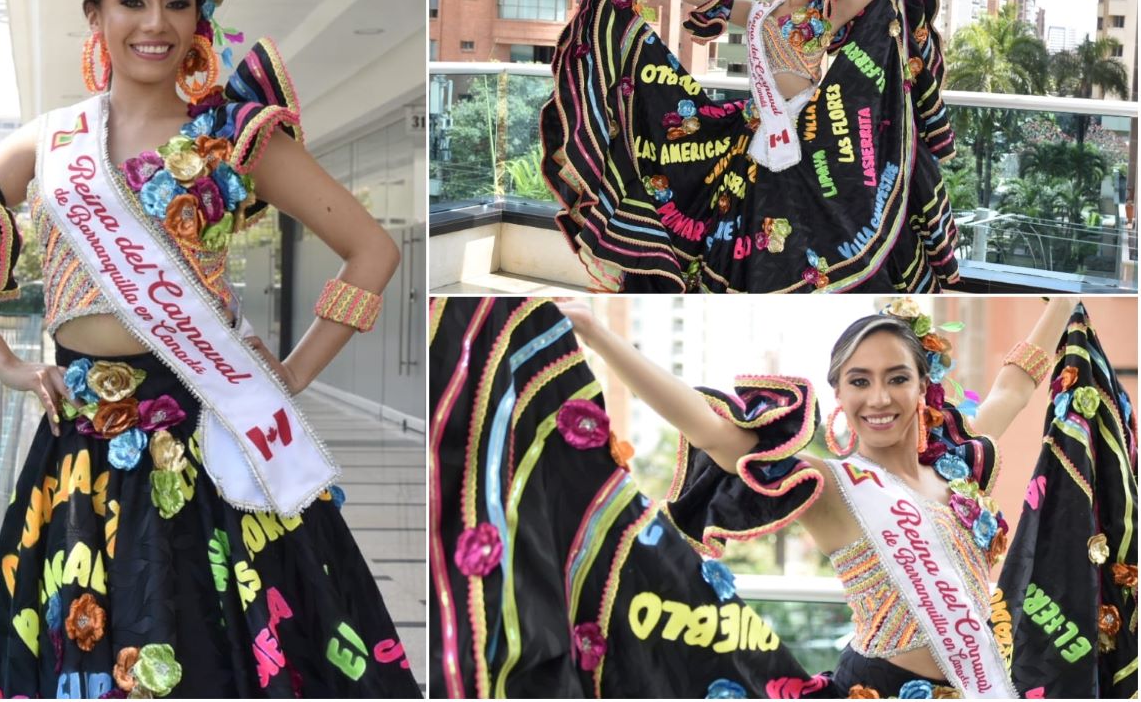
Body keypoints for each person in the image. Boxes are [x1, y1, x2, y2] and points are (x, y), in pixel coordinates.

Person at [0, 0, 420, 698]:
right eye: (132, 1)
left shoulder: (235, 137)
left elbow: (374, 250)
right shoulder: (51, 140)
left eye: (177, 2)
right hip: (81, 445)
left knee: (207, 648)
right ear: (96, 15)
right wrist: (2, 359)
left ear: (201, 19)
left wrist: (295, 373)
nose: (155, 23)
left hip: (210, 437)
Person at [429, 295, 1093, 698]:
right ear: (840, 395)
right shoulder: (837, 485)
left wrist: (1063, 307)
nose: (880, 397)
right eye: (860, 381)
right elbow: (716, 432)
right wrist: (601, 338)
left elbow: (1013, 385)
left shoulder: (958, 464)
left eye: (897, 377)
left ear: (924, 386)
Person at [540, 0, 961, 293]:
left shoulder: (830, 11)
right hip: (753, 134)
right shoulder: (758, 13)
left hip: (810, 135)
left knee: (805, 239)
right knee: (742, 232)